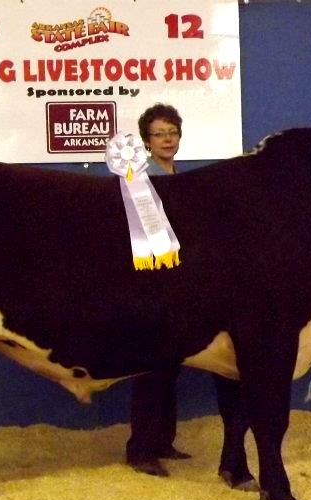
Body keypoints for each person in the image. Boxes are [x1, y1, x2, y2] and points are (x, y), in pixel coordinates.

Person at [125, 103, 188, 474]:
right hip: (147, 277)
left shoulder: (179, 175)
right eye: (159, 133)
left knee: (171, 363)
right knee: (150, 365)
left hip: (175, 279)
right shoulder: (140, 177)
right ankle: (140, 449)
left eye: (172, 132)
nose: (167, 139)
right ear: (147, 141)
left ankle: (164, 440)